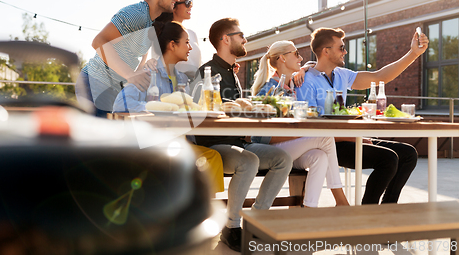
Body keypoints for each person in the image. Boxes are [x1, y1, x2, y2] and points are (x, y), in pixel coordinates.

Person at [296, 27, 429, 204]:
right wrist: (353, 138)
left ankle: (387, 209)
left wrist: (413, 53)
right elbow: (310, 129)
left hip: (348, 138)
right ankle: (367, 212)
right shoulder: (305, 81)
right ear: (326, 51)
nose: (345, 51)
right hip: (328, 144)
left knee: (408, 154)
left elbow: (380, 76)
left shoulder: (342, 75)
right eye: (341, 48)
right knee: (388, 159)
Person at [193, 18, 293, 252]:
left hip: (238, 142)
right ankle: (232, 227)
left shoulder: (232, 71)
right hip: (214, 145)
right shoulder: (206, 72)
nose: (245, 39)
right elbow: (200, 113)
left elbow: (236, 107)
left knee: (283, 158)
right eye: (240, 35)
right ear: (225, 39)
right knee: (249, 161)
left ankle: (256, 221)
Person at [112, 20, 224, 194]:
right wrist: (156, 107)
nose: (190, 47)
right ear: (172, 45)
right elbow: (120, 104)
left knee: (212, 157)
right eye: (186, 42)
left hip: (178, 142)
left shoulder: (181, 79)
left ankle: (202, 208)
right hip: (152, 145)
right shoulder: (148, 74)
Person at [250, 40, 349, 208]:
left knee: (320, 156)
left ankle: (308, 210)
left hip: (289, 148)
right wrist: (299, 133)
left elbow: (313, 64)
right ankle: (341, 201)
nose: (300, 58)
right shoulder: (270, 90)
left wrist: (304, 68)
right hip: (270, 151)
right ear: (282, 58)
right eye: (296, 54)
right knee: (325, 137)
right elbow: (259, 137)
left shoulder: (292, 86)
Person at [76, 0, 179, 117]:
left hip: (113, 89)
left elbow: (139, 60)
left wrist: (143, 72)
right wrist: (130, 74)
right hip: (94, 84)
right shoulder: (136, 14)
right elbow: (98, 41)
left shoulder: (151, 23)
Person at [151, 0, 202, 81]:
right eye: (187, 3)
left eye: (191, 3)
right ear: (174, 5)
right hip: (176, 84)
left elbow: (199, 65)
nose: (190, 6)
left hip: (196, 84)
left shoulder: (192, 34)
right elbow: (158, 62)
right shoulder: (162, 33)